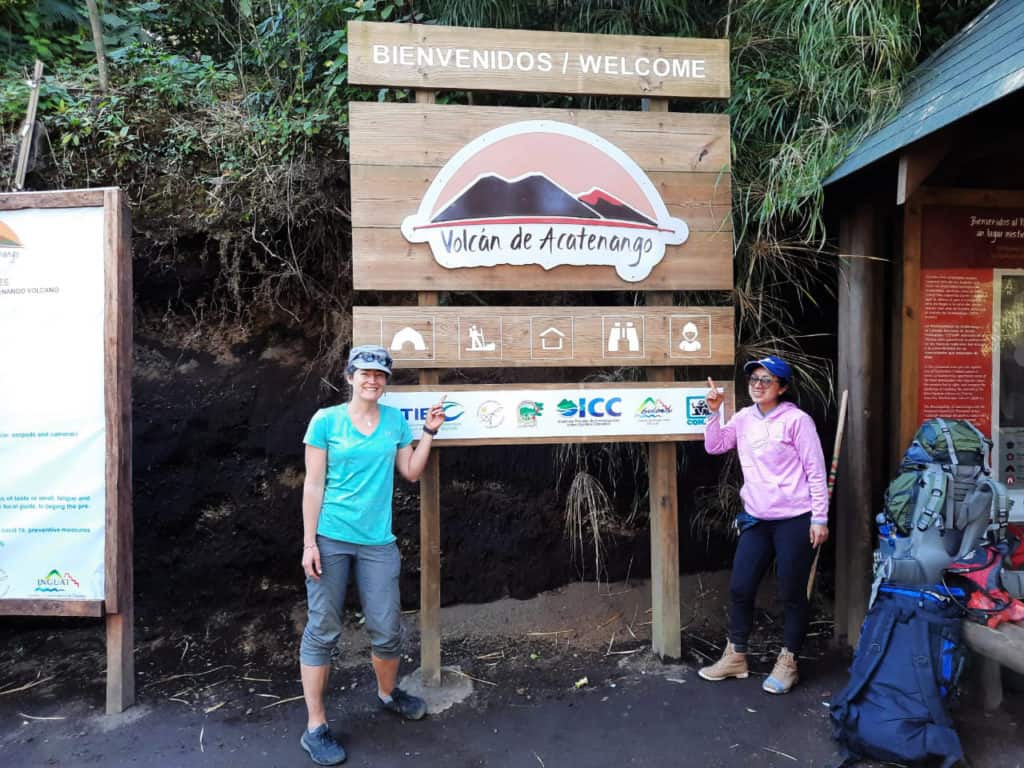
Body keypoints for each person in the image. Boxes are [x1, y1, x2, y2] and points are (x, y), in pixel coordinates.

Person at [298, 344, 446, 765]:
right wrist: (309, 543)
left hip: (378, 541)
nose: (373, 380)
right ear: (350, 376)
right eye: (365, 373)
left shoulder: (395, 422)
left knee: (386, 628)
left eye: (380, 375)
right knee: (323, 629)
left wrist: (430, 433)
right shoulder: (326, 422)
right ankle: (316, 727)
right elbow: (312, 485)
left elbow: (411, 473)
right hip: (330, 537)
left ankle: (386, 693)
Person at [699, 355, 828, 694]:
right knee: (741, 587)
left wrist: (820, 518)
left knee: (791, 593)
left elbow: (816, 471)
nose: (758, 385)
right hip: (757, 518)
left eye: (766, 380)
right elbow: (715, 446)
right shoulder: (743, 418)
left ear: (782, 388)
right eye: (754, 379)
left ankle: (789, 661)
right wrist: (715, 411)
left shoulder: (798, 421)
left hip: (795, 519)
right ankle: (736, 655)